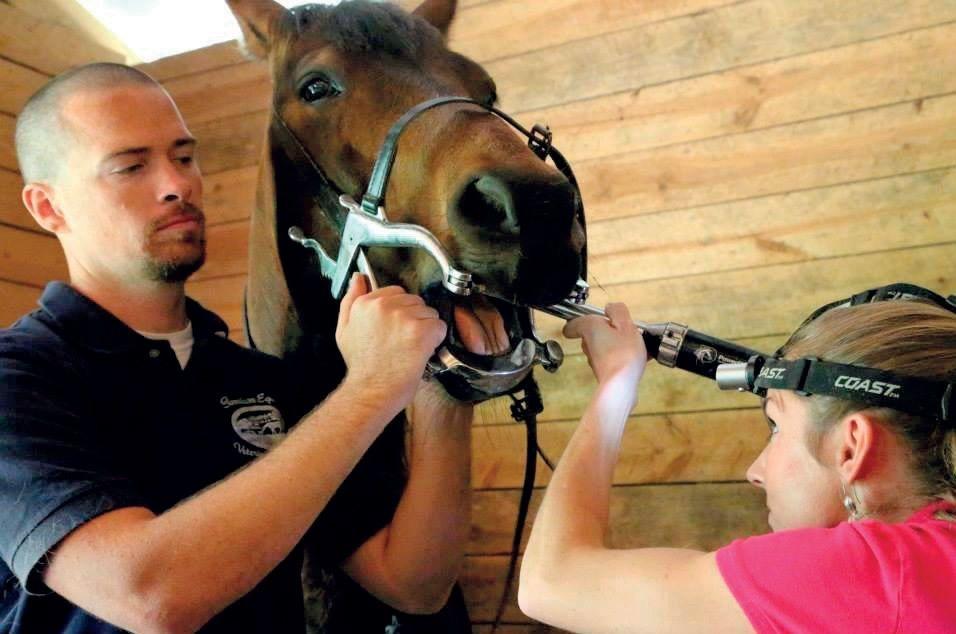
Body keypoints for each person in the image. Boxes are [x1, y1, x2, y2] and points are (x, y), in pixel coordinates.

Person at [0, 62, 488, 633]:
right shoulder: (21, 376)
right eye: (131, 166)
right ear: (48, 207)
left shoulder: (262, 381)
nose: (177, 185)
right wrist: (373, 387)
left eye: (184, 157)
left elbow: (414, 584)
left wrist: (443, 389)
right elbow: (151, 597)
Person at [518, 291, 956, 632]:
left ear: (852, 447)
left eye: (778, 425)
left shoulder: (880, 576)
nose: (755, 471)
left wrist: (617, 381)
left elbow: (550, 583)